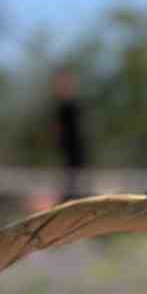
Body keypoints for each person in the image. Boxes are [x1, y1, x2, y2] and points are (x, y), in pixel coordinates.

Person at [53, 67, 90, 202]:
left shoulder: (74, 107)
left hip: (77, 158)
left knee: (77, 189)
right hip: (68, 159)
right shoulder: (61, 107)